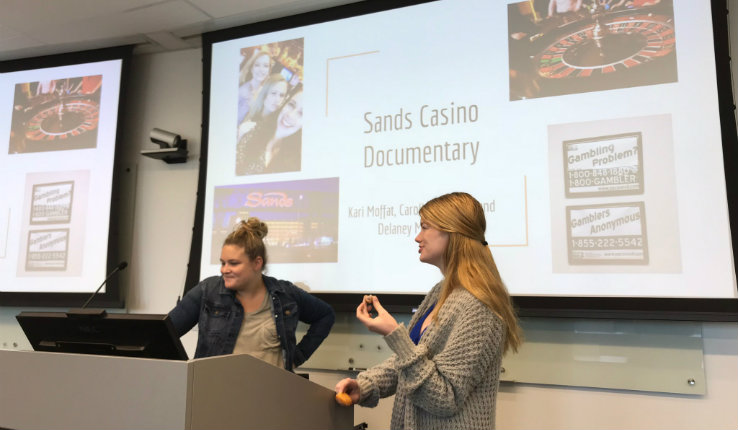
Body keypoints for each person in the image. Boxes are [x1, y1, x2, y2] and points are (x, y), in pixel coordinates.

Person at [335, 192, 522, 430]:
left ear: (453, 231)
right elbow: (410, 361)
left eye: (425, 227)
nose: (417, 237)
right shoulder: (441, 292)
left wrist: (394, 333)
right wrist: (365, 386)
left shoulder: (479, 306)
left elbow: (444, 397)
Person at [168, 217, 335, 371]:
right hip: (216, 396)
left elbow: (325, 315)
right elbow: (163, 334)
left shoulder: (286, 294)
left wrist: (297, 357)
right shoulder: (207, 291)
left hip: (271, 397)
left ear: (257, 263)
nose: (224, 270)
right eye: (223, 263)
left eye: (233, 263)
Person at [235, 89, 303, 175]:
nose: (290, 115)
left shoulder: (297, 162)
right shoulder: (251, 130)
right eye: (291, 105)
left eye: (301, 113)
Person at [237, 73, 288, 140]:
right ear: (265, 93)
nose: (277, 99)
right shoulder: (248, 110)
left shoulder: (277, 126)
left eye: (281, 95)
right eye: (273, 93)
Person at [238, 50, 272, 124]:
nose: (261, 69)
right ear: (251, 69)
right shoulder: (243, 92)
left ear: (269, 70)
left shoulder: (262, 91)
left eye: (265, 66)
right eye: (257, 65)